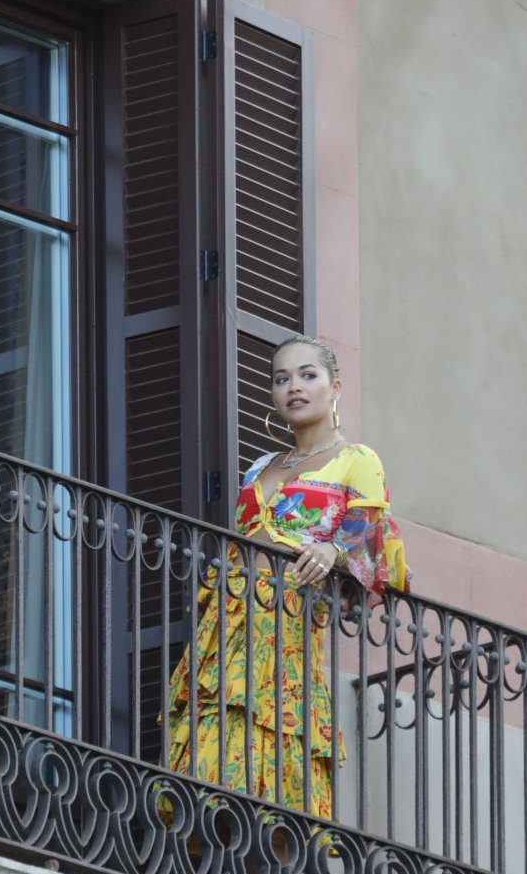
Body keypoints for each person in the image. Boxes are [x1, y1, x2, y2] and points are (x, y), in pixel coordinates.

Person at [166, 334, 411, 820]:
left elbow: (371, 534)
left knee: (271, 724)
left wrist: (333, 548)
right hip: (229, 610)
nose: (293, 387)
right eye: (281, 379)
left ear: (334, 387)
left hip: (288, 612)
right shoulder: (261, 467)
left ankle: (265, 830)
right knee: (216, 719)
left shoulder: (358, 459)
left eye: (307, 375)